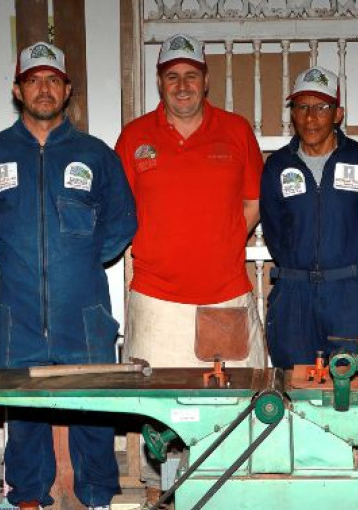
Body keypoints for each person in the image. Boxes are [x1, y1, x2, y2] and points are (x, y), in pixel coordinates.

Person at [0, 41, 137, 510]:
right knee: (24, 408)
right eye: (34, 80)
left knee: (91, 404)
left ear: (67, 91)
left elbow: (122, 218)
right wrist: (9, 257)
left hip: (82, 304)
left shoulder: (95, 155)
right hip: (19, 305)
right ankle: (29, 508)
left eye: (54, 80)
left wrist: (85, 261)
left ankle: (100, 501)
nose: (44, 88)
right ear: (18, 90)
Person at [260, 66, 358, 510]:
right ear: (292, 113)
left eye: (320, 106)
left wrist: (343, 270)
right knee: (294, 395)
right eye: (301, 107)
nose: (311, 117)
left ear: (339, 112)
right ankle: (300, 494)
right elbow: (273, 229)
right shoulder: (278, 167)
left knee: (356, 397)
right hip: (293, 294)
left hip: (349, 291)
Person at [114, 35, 266, 369]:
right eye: (172, 76)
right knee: (155, 412)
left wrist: (224, 240)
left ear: (206, 80)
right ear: (159, 82)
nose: (182, 86)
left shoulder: (236, 130)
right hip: (155, 305)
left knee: (235, 410)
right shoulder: (134, 137)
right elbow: (116, 209)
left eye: (191, 75)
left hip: (226, 299)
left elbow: (254, 200)